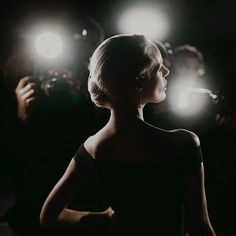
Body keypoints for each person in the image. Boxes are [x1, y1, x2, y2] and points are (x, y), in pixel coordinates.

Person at [40, 34, 216, 235]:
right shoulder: (184, 143)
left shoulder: (93, 147)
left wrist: (107, 217)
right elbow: (199, 227)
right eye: (159, 68)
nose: (167, 71)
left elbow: (49, 217)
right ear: (139, 80)